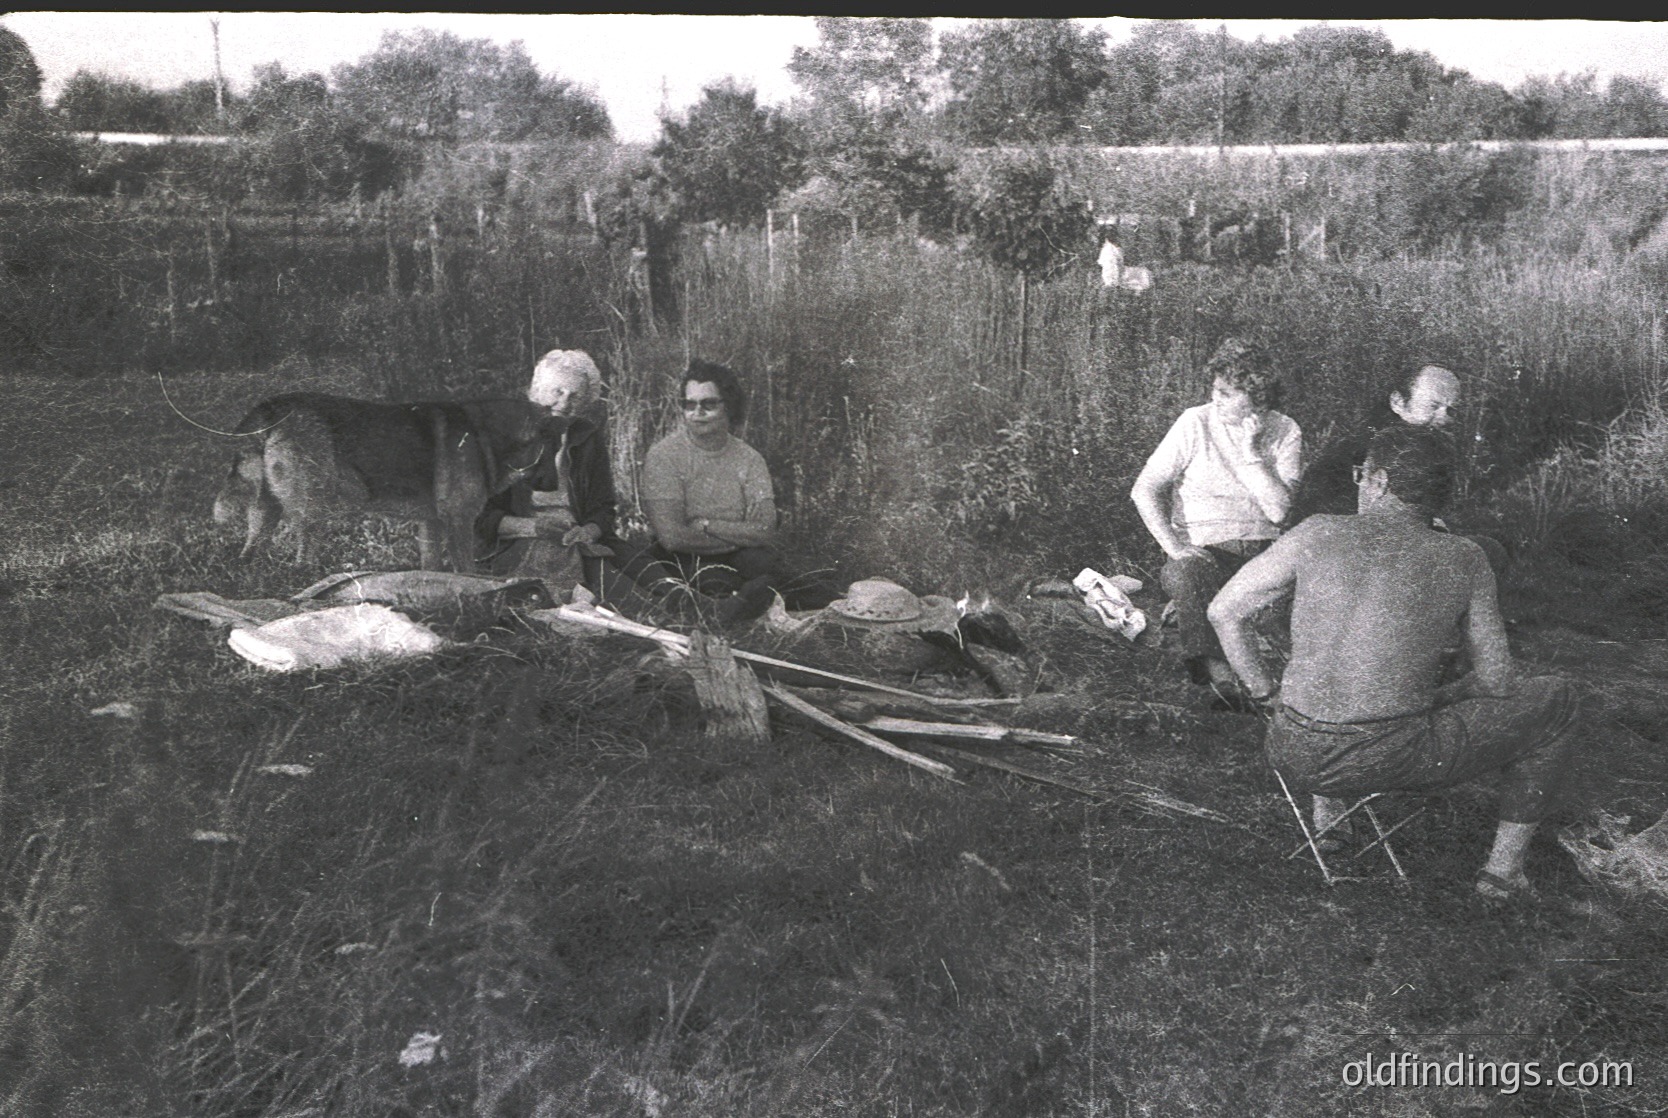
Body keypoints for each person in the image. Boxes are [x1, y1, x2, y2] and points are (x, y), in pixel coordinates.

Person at [1208, 425, 1576, 901]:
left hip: (1289, 745)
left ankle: (1332, 822)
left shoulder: (1316, 531)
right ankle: (1502, 874)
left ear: (1379, 480)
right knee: (1558, 699)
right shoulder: (1465, 557)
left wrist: (1264, 692)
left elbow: (1223, 611)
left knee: (1337, 665)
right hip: (1384, 758)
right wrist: (1452, 692)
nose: (1359, 483)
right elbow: (1498, 680)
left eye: (1362, 475)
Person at [1131, 337, 1303, 698]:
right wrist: (1173, 546)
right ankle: (1219, 678)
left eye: (1226, 393)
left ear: (1258, 398)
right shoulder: (1195, 422)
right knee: (1185, 573)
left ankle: (1286, 679)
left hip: (1265, 551)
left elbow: (1280, 511)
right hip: (1206, 548)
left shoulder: (1285, 430)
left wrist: (1251, 454)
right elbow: (1144, 488)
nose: (1215, 399)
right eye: (1214, 390)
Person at [625, 359, 838, 624]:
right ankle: (746, 602)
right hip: (683, 557)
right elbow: (672, 537)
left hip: (741, 554)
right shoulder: (664, 456)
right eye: (689, 404)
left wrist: (706, 524)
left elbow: (765, 529)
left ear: (729, 406)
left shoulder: (749, 459)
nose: (697, 412)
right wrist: (739, 535)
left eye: (708, 404)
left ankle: (804, 600)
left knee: (772, 568)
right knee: (722, 581)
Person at [1287, 358, 1507, 573]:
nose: (1444, 418)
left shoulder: (1420, 445)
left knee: (1486, 549)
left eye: (1451, 410)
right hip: (1337, 556)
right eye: (1433, 406)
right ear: (1398, 402)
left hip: (1373, 545)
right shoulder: (1371, 448)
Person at [476, 349, 624, 600]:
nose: (565, 403)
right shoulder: (503, 436)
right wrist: (534, 527)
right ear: (536, 391)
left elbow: (604, 506)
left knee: (640, 583)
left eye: (575, 396)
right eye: (558, 391)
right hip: (517, 543)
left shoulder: (587, 436)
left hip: (576, 542)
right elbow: (479, 516)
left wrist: (590, 530)